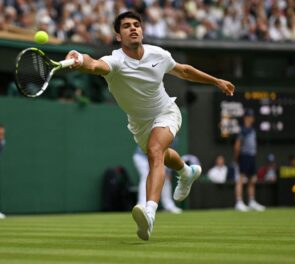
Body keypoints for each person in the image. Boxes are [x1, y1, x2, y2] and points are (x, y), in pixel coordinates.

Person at [65, 11, 235, 240]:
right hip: (139, 124)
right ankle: (187, 172)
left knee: (155, 151)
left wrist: (216, 81)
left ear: (142, 31)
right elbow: (95, 65)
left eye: (136, 25)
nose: (133, 28)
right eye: (126, 26)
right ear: (118, 36)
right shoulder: (115, 61)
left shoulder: (158, 54)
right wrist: (80, 59)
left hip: (166, 112)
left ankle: (150, 213)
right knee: (162, 154)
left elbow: (184, 70)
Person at [233, 109, 265, 212]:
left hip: (251, 156)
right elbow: (237, 145)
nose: (252, 118)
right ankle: (239, 202)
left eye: (252, 116)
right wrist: (237, 157)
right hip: (244, 156)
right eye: (250, 116)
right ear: (246, 118)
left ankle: (251, 201)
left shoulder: (252, 129)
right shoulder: (243, 130)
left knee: (252, 180)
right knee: (241, 179)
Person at [133, 146, 182, 214]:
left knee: (165, 178)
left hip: (159, 158)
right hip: (142, 157)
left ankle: (169, 205)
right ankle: (142, 204)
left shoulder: (175, 140)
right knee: (146, 175)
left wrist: (168, 171)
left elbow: (171, 156)